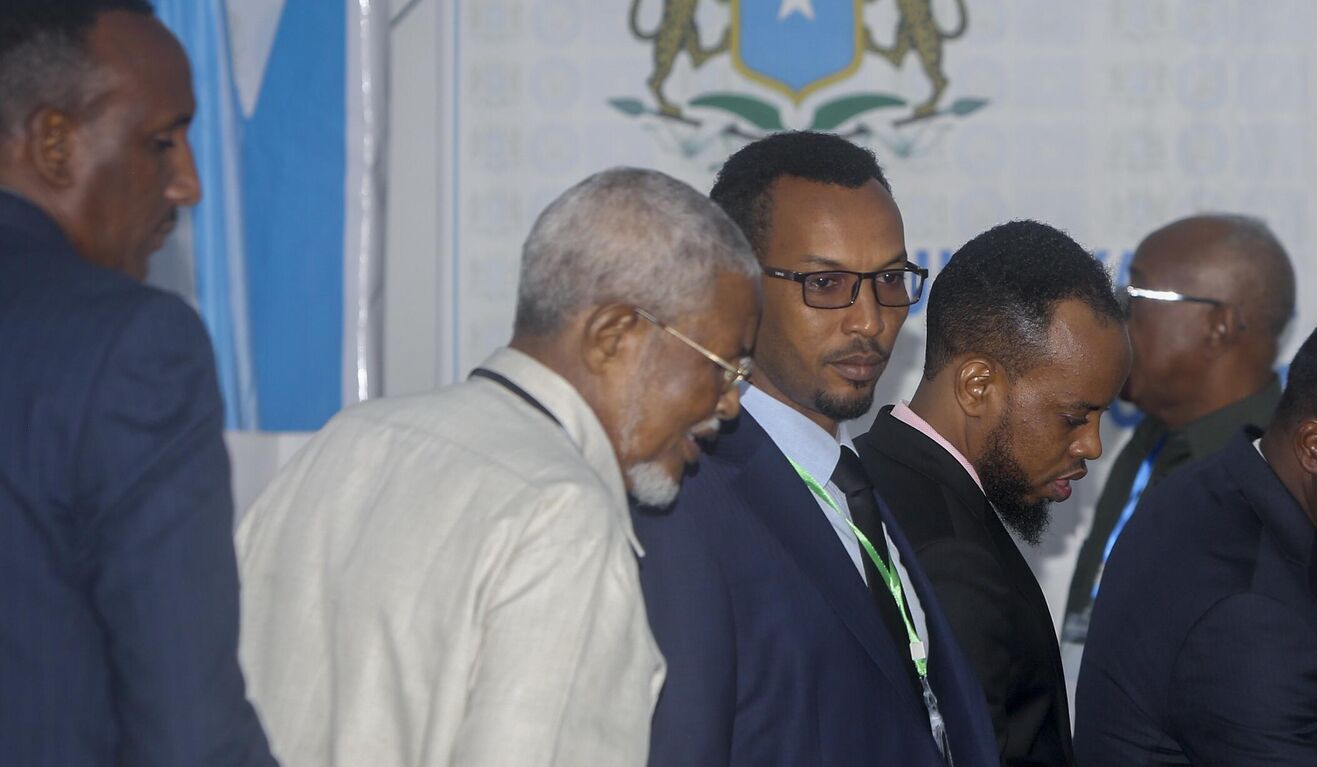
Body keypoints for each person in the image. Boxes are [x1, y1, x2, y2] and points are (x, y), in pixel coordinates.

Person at [235, 168, 758, 766]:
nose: (729, 402)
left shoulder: (352, 436)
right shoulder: (561, 514)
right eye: (723, 366)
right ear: (614, 335)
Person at [632, 131, 998, 767]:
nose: (869, 320)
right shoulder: (684, 494)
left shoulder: (855, 484)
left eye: (889, 278)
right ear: (734, 285)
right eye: (825, 283)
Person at [0, 2, 277, 764]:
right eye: (161, 142)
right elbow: (189, 733)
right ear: (54, 143)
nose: (186, 184)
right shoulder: (131, 346)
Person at [1060, 215, 1317, 764]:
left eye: (1135, 294)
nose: (1116, 314)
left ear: (1217, 325)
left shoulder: (1312, 482)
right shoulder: (1147, 443)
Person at [857, 220, 1130, 767]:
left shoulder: (866, 471)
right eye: (1074, 417)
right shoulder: (951, 558)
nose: (1093, 446)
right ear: (977, 385)